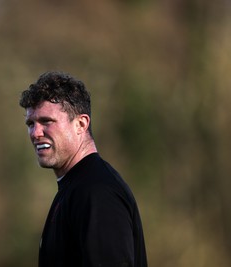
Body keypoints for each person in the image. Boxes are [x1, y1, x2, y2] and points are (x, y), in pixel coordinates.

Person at [19, 71, 148, 267]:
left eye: (46, 121)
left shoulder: (97, 193)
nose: (36, 133)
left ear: (81, 124)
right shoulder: (74, 189)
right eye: (31, 123)